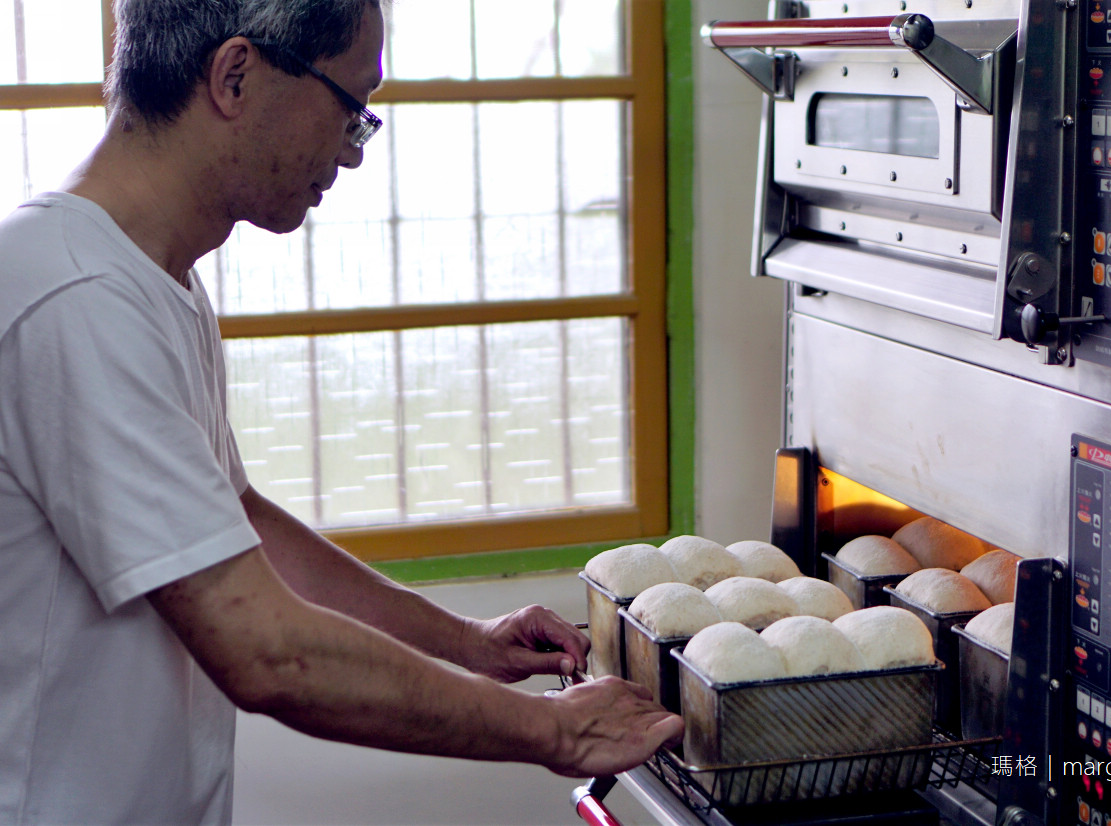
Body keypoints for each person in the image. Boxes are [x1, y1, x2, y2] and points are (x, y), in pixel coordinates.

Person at [0, 1, 682, 823]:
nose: (353, 154)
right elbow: (266, 652)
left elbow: (236, 521)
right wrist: (553, 732)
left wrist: (466, 640)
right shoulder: (74, 297)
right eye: (350, 108)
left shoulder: (152, 277)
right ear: (236, 75)